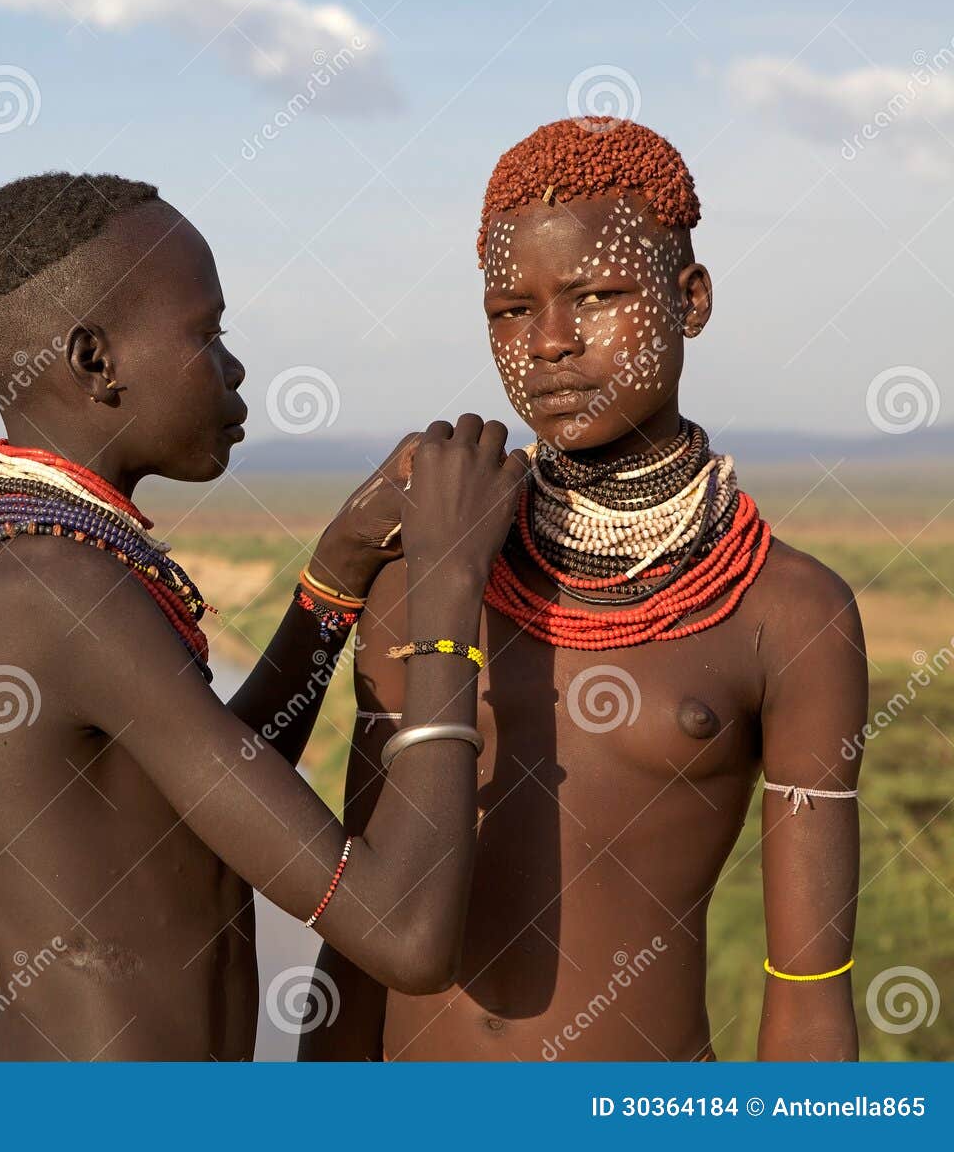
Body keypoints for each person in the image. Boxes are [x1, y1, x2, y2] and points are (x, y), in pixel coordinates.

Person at [0, 171, 527, 1059]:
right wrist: (447, 583)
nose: (235, 368)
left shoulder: (26, 555)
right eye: (208, 333)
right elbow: (406, 933)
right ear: (96, 360)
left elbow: (211, 797)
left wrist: (335, 577)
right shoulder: (58, 591)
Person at [301, 118, 867, 1062]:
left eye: (596, 295)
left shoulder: (790, 614)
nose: (550, 343)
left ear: (691, 300)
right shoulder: (430, 577)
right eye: (510, 310)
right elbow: (358, 935)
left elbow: (808, 998)